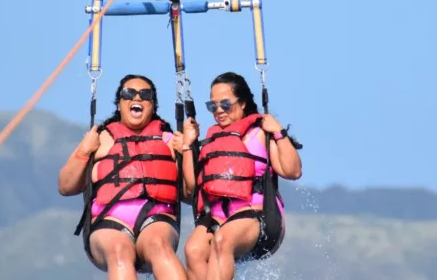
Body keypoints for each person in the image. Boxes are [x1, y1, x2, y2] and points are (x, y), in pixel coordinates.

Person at [175, 71, 303, 280]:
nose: (218, 111)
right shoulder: (211, 140)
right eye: (212, 106)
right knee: (193, 249)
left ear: (242, 103)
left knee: (222, 241)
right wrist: (189, 145)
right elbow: (192, 189)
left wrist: (279, 132)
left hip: (257, 215)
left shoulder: (261, 132)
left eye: (225, 104)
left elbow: (293, 171)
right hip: (217, 215)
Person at [58, 74, 188, 280]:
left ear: (152, 106)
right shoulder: (100, 139)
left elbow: (190, 194)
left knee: (159, 247)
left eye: (145, 95)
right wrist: (83, 152)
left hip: (157, 219)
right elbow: (65, 186)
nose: (136, 98)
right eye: (129, 93)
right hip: (108, 222)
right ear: (119, 104)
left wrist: (187, 151)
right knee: (119, 252)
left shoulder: (169, 140)